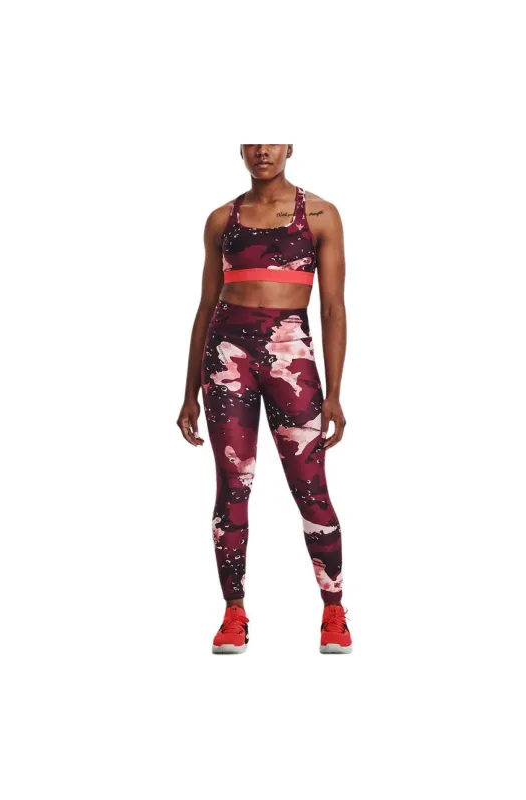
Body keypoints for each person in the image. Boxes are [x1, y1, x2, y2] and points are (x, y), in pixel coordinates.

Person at [177, 144, 352, 654]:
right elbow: (205, 306)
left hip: (290, 356)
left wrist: (335, 393)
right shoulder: (221, 219)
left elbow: (333, 308)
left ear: (289, 146)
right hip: (226, 358)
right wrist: (188, 392)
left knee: (310, 487)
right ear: (240, 147)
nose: (262, 150)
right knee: (232, 488)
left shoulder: (319, 215)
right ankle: (233, 611)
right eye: (252, 139)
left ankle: (334, 608)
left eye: (272, 138)